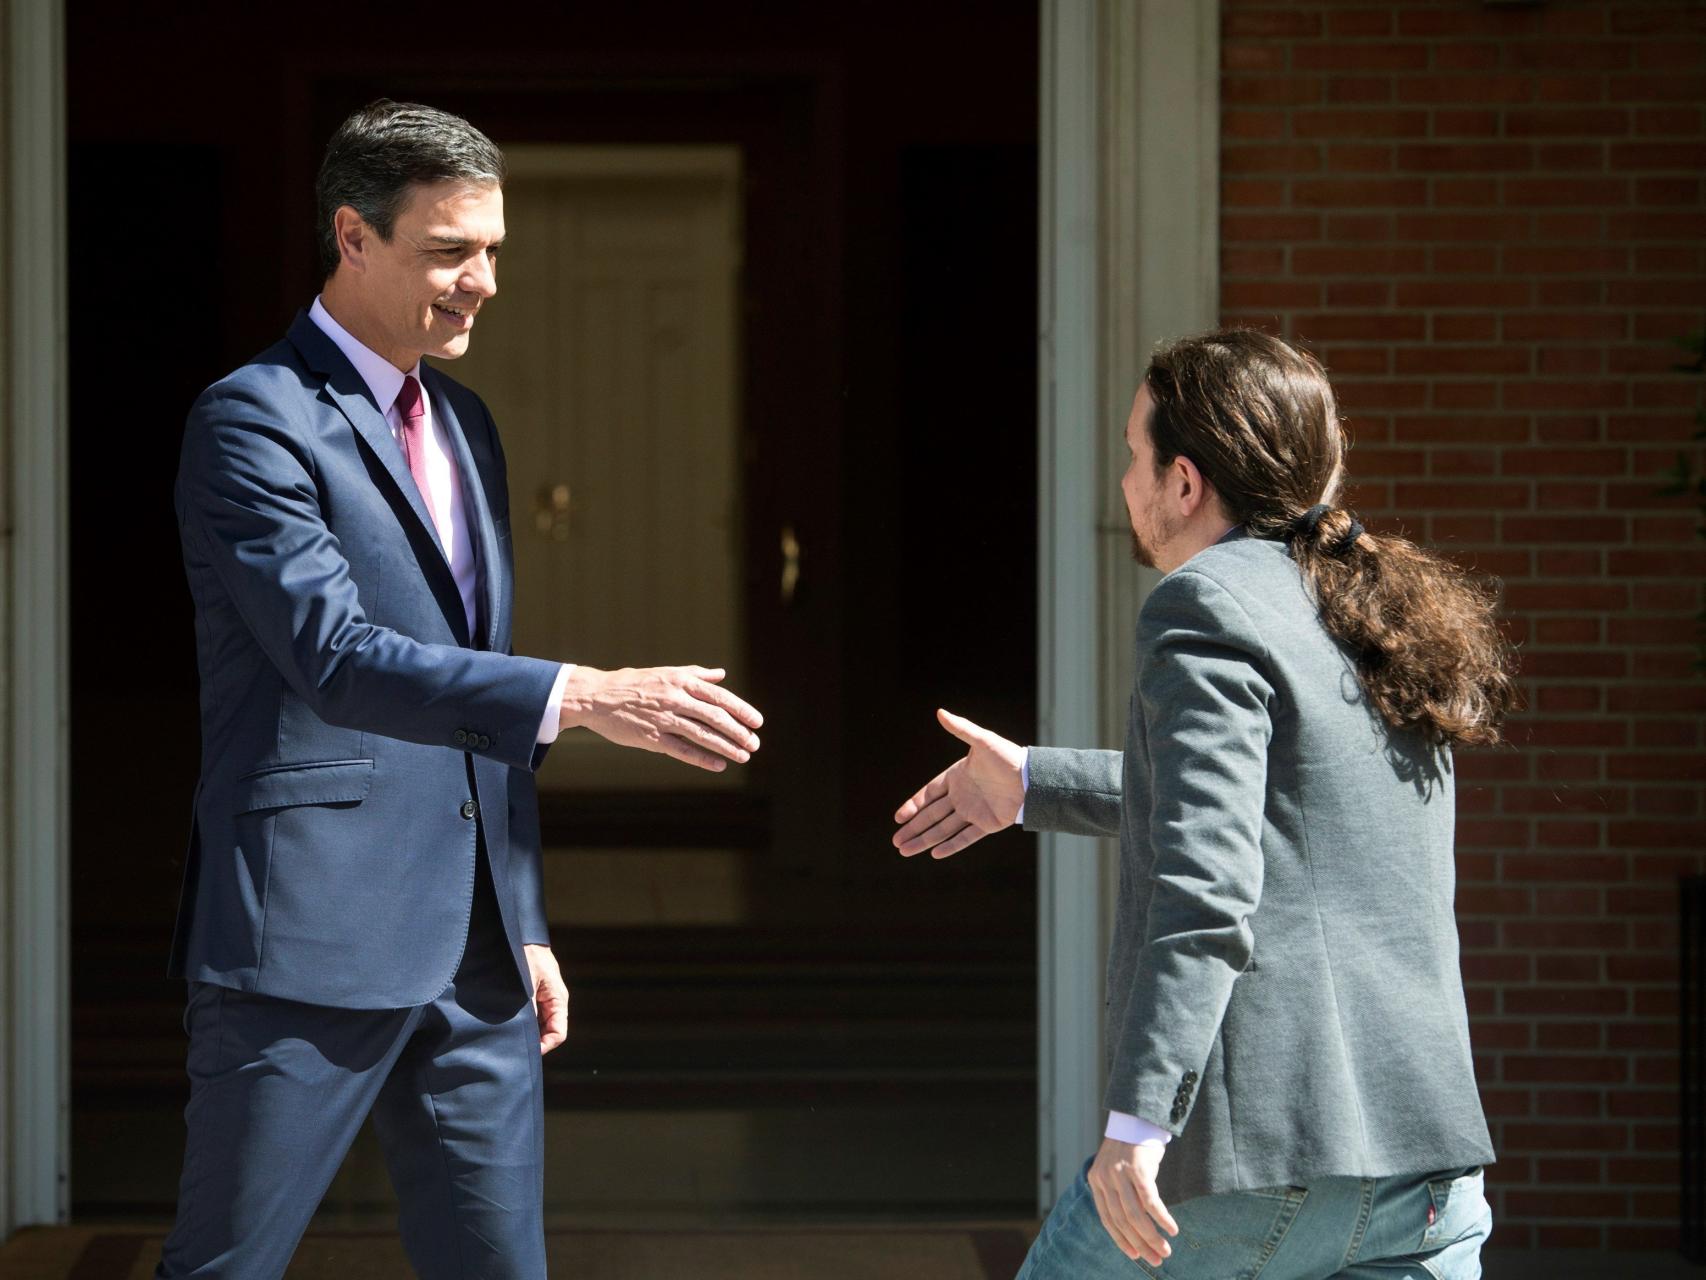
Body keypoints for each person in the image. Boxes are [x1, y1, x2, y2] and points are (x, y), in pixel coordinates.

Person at [158, 99, 764, 1280]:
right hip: (307, 939)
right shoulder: (251, 419)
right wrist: (582, 694)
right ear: (353, 237)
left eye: (491, 250)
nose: (481, 280)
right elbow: (331, 652)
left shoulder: (467, 422)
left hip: (477, 957)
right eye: (450, 251)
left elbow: (471, 703)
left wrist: (522, 913)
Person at [893, 329, 1513, 1279]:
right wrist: (1031, 786)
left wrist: (1139, 1124)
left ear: (1185, 484)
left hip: (1254, 1173)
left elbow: (1208, 878)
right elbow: (1285, 809)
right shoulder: (1372, 607)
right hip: (1423, 1180)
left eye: (1136, 455)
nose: (1128, 481)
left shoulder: (1204, 603)